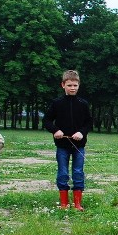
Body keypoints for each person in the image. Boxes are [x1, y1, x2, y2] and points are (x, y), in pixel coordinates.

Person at [43, 69, 93, 210]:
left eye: (75, 86)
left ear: (79, 86)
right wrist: (55, 130)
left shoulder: (83, 104)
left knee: (78, 172)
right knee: (63, 173)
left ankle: (77, 203)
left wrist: (82, 133)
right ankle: (64, 203)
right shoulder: (57, 103)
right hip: (62, 145)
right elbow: (46, 120)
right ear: (63, 85)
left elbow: (89, 122)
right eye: (69, 85)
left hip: (79, 145)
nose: (72, 88)